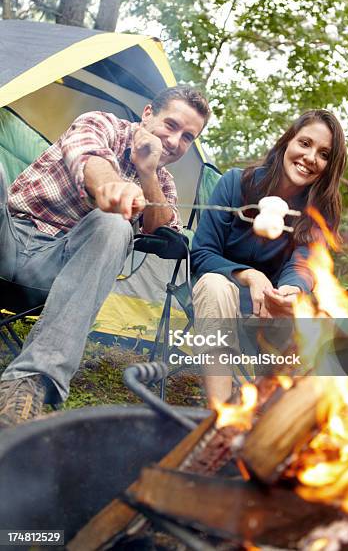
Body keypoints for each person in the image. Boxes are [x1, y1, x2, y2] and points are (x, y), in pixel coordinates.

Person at [0, 85, 210, 428]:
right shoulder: (103, 123)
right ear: (147, 114)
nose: (175, 141)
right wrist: (111, 185)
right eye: (171, 125)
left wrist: (146, 172)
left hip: (60, 269)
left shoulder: (164, 183)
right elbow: (89, 158)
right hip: (9, 233)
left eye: (188, 137)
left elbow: (161, 228)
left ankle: (30, 383)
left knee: (115, 225)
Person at [191, 110, 347, 406]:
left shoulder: (316, 212)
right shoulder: (235, 183)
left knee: (314, 314)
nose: (310, 157)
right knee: (214, 285)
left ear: (329, 166)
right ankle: (221, 416)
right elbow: (202, 253)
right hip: (218, 298)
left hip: (269, 313)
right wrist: (248, 275)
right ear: (288, 141)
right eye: (305, 143)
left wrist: (292, 290)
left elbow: (304, 264)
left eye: (324, 154)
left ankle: (271, 412)